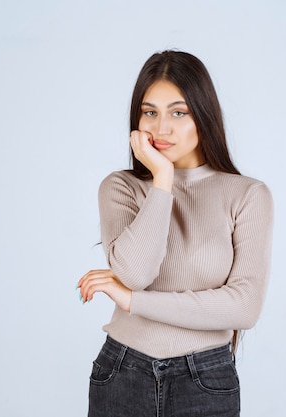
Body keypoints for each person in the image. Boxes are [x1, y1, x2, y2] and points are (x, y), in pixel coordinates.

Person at [77, 50, 274, 417]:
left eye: (178, 112)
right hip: (122, 372)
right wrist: (162, 180)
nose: (161, 127)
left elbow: (244, 307)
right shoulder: (121, 188)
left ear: (203, 115)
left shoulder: (247, 195)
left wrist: (134, 302)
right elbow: (136, 273)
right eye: (150, 112)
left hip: (205, 378)